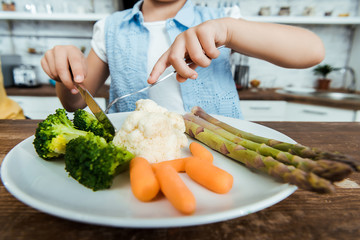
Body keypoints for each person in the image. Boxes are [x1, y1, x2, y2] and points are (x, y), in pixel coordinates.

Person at [41, 0, 325, 119]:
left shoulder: (221, 20)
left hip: (219, 153)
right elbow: (75, 101)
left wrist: (229, 31)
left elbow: (312, 51)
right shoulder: (109, 27)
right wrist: (64, 72)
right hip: (135, 157)